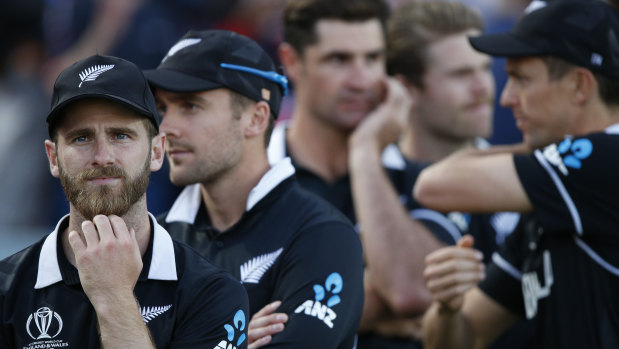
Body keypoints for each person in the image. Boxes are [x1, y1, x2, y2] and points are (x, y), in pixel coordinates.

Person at [0, 54, 250, 348]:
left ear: (157, 152)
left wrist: (114, 295)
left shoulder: (213, 293)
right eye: (81, 138)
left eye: (121, 135)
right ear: (53, 157)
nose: (102, 156)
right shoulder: (5, 289)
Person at [269, 0, 478, 348]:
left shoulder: (427, 181)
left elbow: (413, 290)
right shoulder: (252, 177)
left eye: (373, 58)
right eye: (339, 59)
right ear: (292, 61)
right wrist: (372, 303)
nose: (361, 80)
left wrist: (365, 152)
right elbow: (221, 314)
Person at [414, 2, 619, 348]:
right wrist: (448, 308)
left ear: (579, 86)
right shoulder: (554, 189)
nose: (506, 98)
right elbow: (465, 337)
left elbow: (433, 184)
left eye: (521, 79)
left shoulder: (607, 159)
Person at [145, 29, 364, 349]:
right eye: (163, 108)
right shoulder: (156, 240)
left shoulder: (323, 235)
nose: (165, 129)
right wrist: (229, 339)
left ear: (256, 119)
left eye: (190, 106)